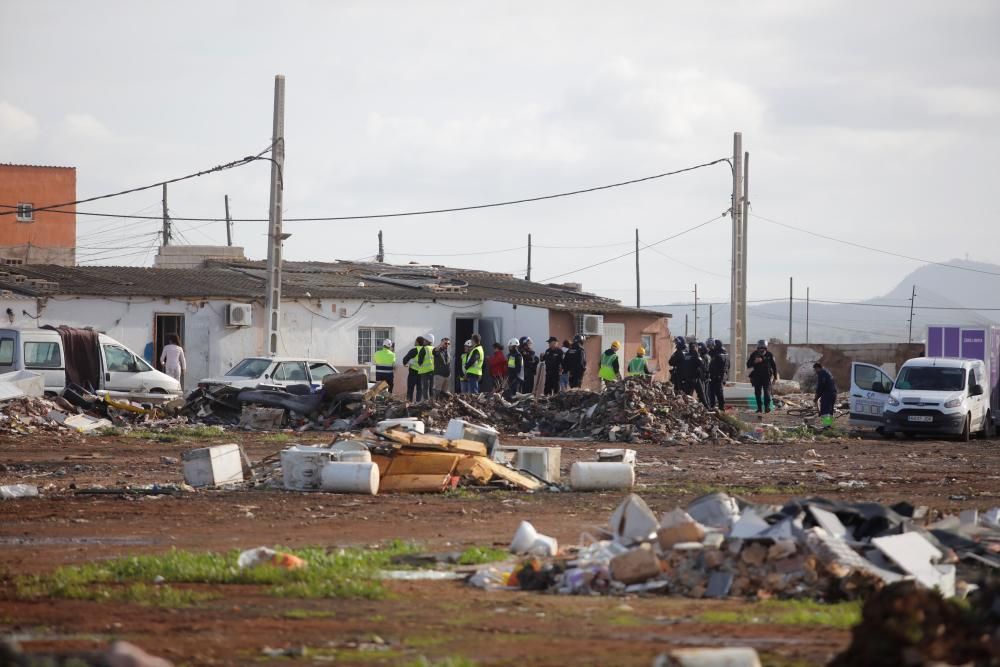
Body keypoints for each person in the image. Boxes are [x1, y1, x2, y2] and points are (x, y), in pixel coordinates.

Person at [747, 339, 778, 414]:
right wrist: (755, 362)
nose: (761, 350)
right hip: (757, 376)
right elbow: (748, 364)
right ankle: (759, 408)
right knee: (757, 393)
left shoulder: (769, 355)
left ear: (765, 348)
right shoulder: (754, 354)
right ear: (757, 348)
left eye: (763, 348)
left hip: (766, 376)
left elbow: (774, 366)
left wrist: (775, 377)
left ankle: (767, 407)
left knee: (767, 392)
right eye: (760, 348)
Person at [682, 340, 709, 407]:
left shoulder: (686, 355)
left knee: (687, 395)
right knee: (701, 395)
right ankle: (706, 407)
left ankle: (685, 407)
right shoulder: (696, 355)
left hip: (687, 378)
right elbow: (702, 366)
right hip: (695, 378)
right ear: (695, 347)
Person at [412, 334, 436, 402]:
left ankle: (427, 403)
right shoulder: (434, 349)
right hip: (433, 371)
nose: (424, 341)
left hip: (425, 372)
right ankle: (432, 403)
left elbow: (420, 361)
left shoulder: (424, 349)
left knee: (425, 389)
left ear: (427, 341)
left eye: (424, 340)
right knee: (431, 388)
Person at [813, 361, 838, 427]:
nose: (815, 371)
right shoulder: (827, 372)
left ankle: (826, 426)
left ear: (818, 368)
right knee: (830, 410)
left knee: (825, 410)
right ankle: (829, 425)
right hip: (833, 394)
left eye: (815, 369)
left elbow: (820, 386)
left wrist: (816, 397)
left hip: (827, 394)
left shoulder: (821, 373)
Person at [402, 336, 425, 402]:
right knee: (420, 390)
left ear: (417, 342)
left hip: (413, 373)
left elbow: (405, 360)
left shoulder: (414, 350)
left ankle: (409, 405)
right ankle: (418, 405)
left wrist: (406, 363)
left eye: (415, 341)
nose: (414, 342)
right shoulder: (425, 351)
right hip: (422, 373)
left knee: (410, 390)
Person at [708, 339, 728, 412]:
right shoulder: (723, 353)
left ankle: (720, 407)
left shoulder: (719, 355)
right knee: (714, 391)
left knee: (717, 392)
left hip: (718, 376)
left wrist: (718, 375)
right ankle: (715, 406)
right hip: (719, 375)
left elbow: (719, 366)